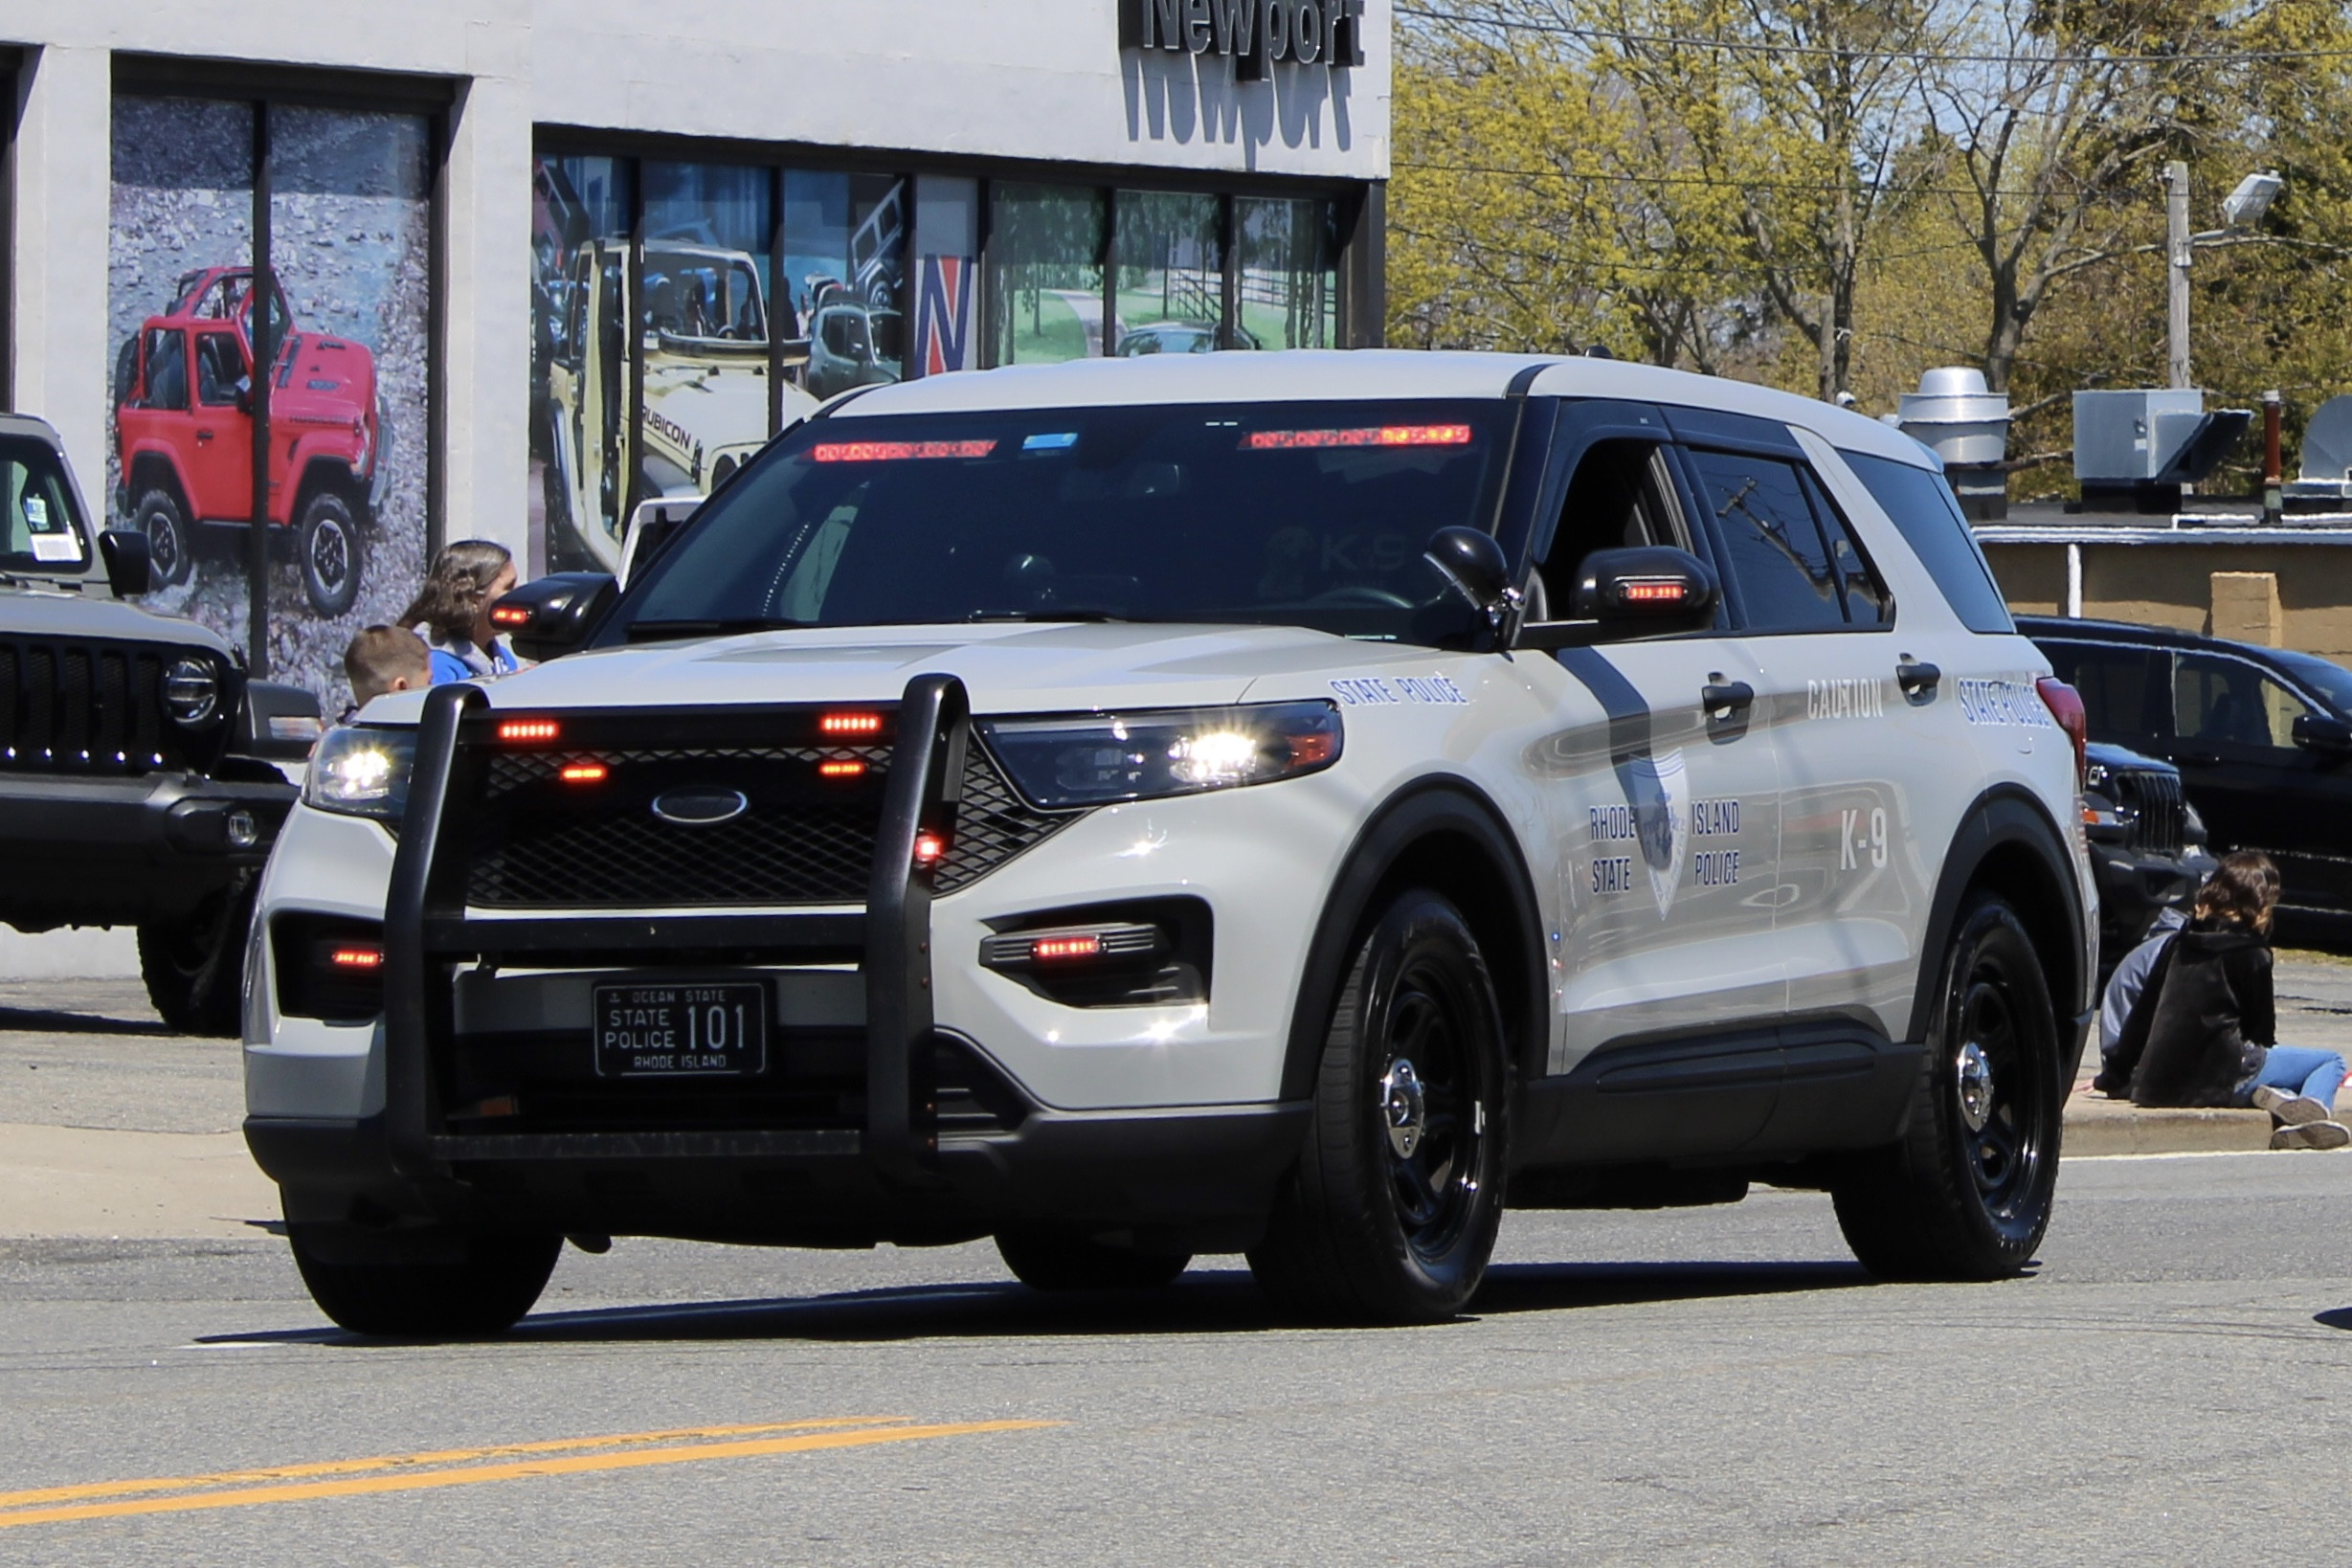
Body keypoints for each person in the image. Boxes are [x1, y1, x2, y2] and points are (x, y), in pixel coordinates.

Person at [2095, 852, 2350, 1150]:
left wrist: (2113, 1077)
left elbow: (2141, 1019)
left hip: (2161, 1083)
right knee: (2330, 1061)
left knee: (2273, 1070)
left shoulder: (2179, 943)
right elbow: (2262, 1034)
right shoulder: (2253, 954)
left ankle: (2284, 1103)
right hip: (2223, 1078)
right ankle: (2309, 1114)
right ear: (2261, 902)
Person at [400, 540, 521, 683]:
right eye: (509, 587)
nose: (519, 593)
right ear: (473, 599)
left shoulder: (505, 659)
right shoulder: (436, 668)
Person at [341, 624, 431, 716]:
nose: (432, 688)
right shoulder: (429, 728)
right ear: (401, 687)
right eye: (429, 682)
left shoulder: (340, 727)